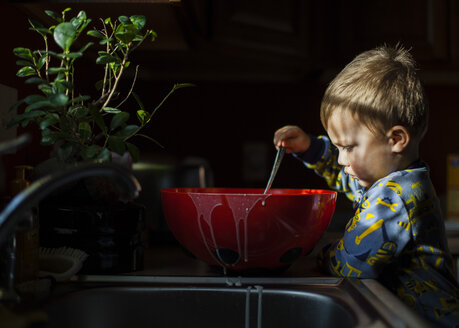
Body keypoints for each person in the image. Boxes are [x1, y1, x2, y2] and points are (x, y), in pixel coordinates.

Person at [273, 45, 459, 327]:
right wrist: (310, 148)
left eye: (347, 147)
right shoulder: (394, 178)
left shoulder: (396, 196)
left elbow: (352, 262)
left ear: (396, 139)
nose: (341, 159)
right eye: (336, 147)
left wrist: (320, 252)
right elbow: (345, 175)